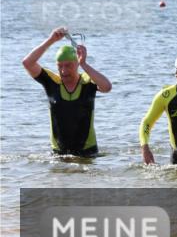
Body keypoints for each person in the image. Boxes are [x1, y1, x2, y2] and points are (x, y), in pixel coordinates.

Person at [21, 27, 112, 157]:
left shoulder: (87, 81)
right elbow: (27, 63)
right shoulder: (52, 82)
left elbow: (107, 87)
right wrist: (50, 40)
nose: (63, 71)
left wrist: (85, 64)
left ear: (77, 64)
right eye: (60, 66)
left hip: (87, 152)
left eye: (68, 65)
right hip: (59, 154)